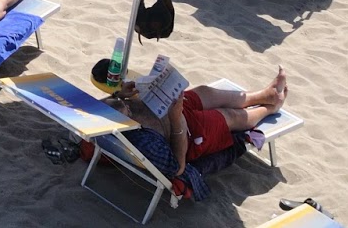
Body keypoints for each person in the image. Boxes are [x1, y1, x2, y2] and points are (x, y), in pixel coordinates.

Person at [103, 63, 288, 176]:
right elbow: (178, 168)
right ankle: (270, 107)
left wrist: (119, 94)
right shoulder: (145, 143)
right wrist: (176, 120)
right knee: (229, 116)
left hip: (167, 107)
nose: (127, 105)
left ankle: (265, 94)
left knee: (205, 91)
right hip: (187, 133)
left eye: (122, 102)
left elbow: (109, 106)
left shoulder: (98, 114)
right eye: (126, 107)